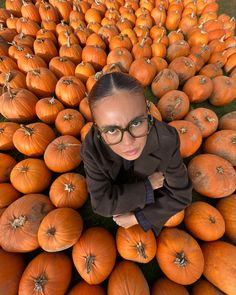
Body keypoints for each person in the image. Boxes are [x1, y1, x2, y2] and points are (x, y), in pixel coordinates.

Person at [80, 72, 192, 236]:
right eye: (112, 130)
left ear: (148, 112)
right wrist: (148, 186)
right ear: (98, 129)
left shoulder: (167, 140)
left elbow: (181, 195)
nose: (128, 142)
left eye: (137, 122)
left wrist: (137, 218)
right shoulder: (92, 149)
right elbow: (102, 203)